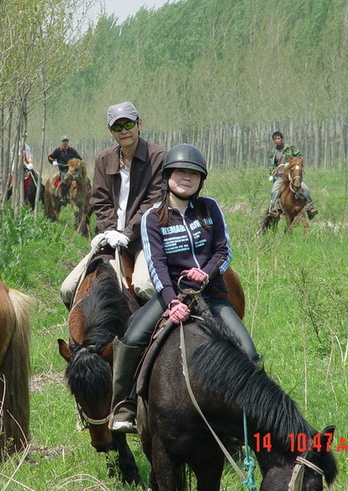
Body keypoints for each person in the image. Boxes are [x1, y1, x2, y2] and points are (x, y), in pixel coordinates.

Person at [109, 143, 259, 433]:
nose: (186, 178)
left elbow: (223, 251)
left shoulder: (210, 208)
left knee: (249, 353)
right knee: (131, 338)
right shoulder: (153, 217)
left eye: (193, 173)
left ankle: (246, 416)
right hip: (172, 294)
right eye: (180, 172)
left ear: (201, 180)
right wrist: (171, 302)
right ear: (167, 177)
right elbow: (156, 263)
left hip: (211, 297)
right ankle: (123, 405)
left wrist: (206, 273)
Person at [59, 101, 165, 307]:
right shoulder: (103, 159)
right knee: (68, 289)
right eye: (117, 127)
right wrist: (109, 232)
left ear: (139, 124)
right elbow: (100, 199)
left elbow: (154, 201)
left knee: (145, 286)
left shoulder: (158, 157)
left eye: (128, 124)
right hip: (111, 238)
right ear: (110, 131)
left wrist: (126, 234)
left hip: (144, 238)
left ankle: (157, 337)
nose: (123, 131)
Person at [267, 131, 318, 218]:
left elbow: (300, 158)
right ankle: (273, 208)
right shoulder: (273, 152)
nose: (277, 140)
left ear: (282, 139)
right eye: (275, 139)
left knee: (305, 189)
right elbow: (272, 165)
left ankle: (310, 208)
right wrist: (271, 174)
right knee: (274, 191)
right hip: (280, 177)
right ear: (273, 141)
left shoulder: (291, 148)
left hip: (292, 176)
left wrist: (291, 163)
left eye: (278, 138)